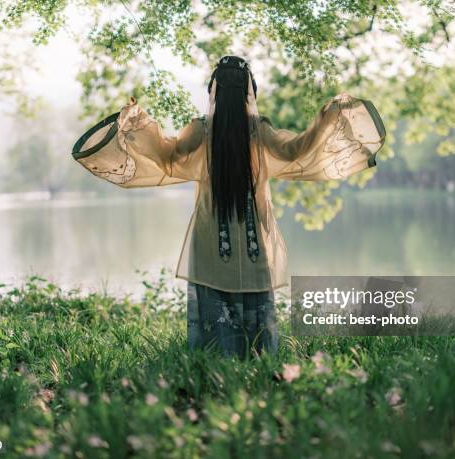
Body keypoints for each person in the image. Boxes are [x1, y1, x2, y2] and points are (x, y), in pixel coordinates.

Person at [71, 55, 386, 358]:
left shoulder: (201, 130)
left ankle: (212, 357)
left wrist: (139, 124)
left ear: (215, 91)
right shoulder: (257, 129)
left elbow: (166, 156)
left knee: (215, 299)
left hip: (211, 236)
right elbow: (295, 151)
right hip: (252, 238)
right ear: (249, 91)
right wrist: (328, 120)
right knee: (253, 297)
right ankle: (259, 354)